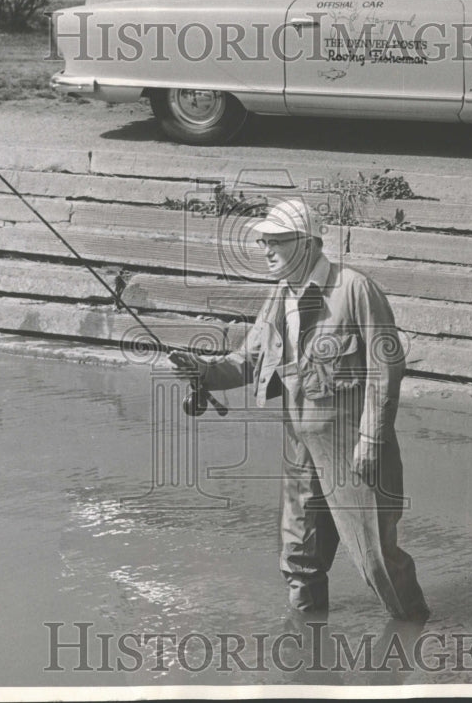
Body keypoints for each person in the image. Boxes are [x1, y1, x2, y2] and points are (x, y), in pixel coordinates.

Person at [169, 197, 429, 621]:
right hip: (299, 446)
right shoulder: (279, 296)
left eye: (276, 241)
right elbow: (250, 360)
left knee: (376, 559)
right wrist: (205, 371)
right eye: (263, 242)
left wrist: (369, 440)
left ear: (307, 243)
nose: (266, 250)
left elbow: (386, 371)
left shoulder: (356, 290)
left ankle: (415, 633)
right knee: (299, 556)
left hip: (351, 446)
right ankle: (307, 654)